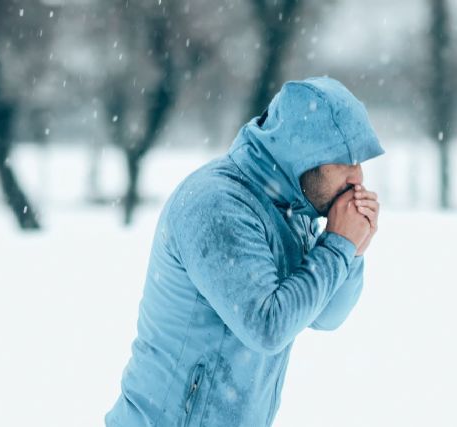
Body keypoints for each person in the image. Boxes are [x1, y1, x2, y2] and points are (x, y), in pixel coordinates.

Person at [105, 76, 385, 427]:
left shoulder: (292, 209)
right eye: (346, 162)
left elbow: (326, 316)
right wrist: (337, 247)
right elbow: (266, 325)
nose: (358, 179)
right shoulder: (217, 204)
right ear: (305, 154)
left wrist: (351, 252)